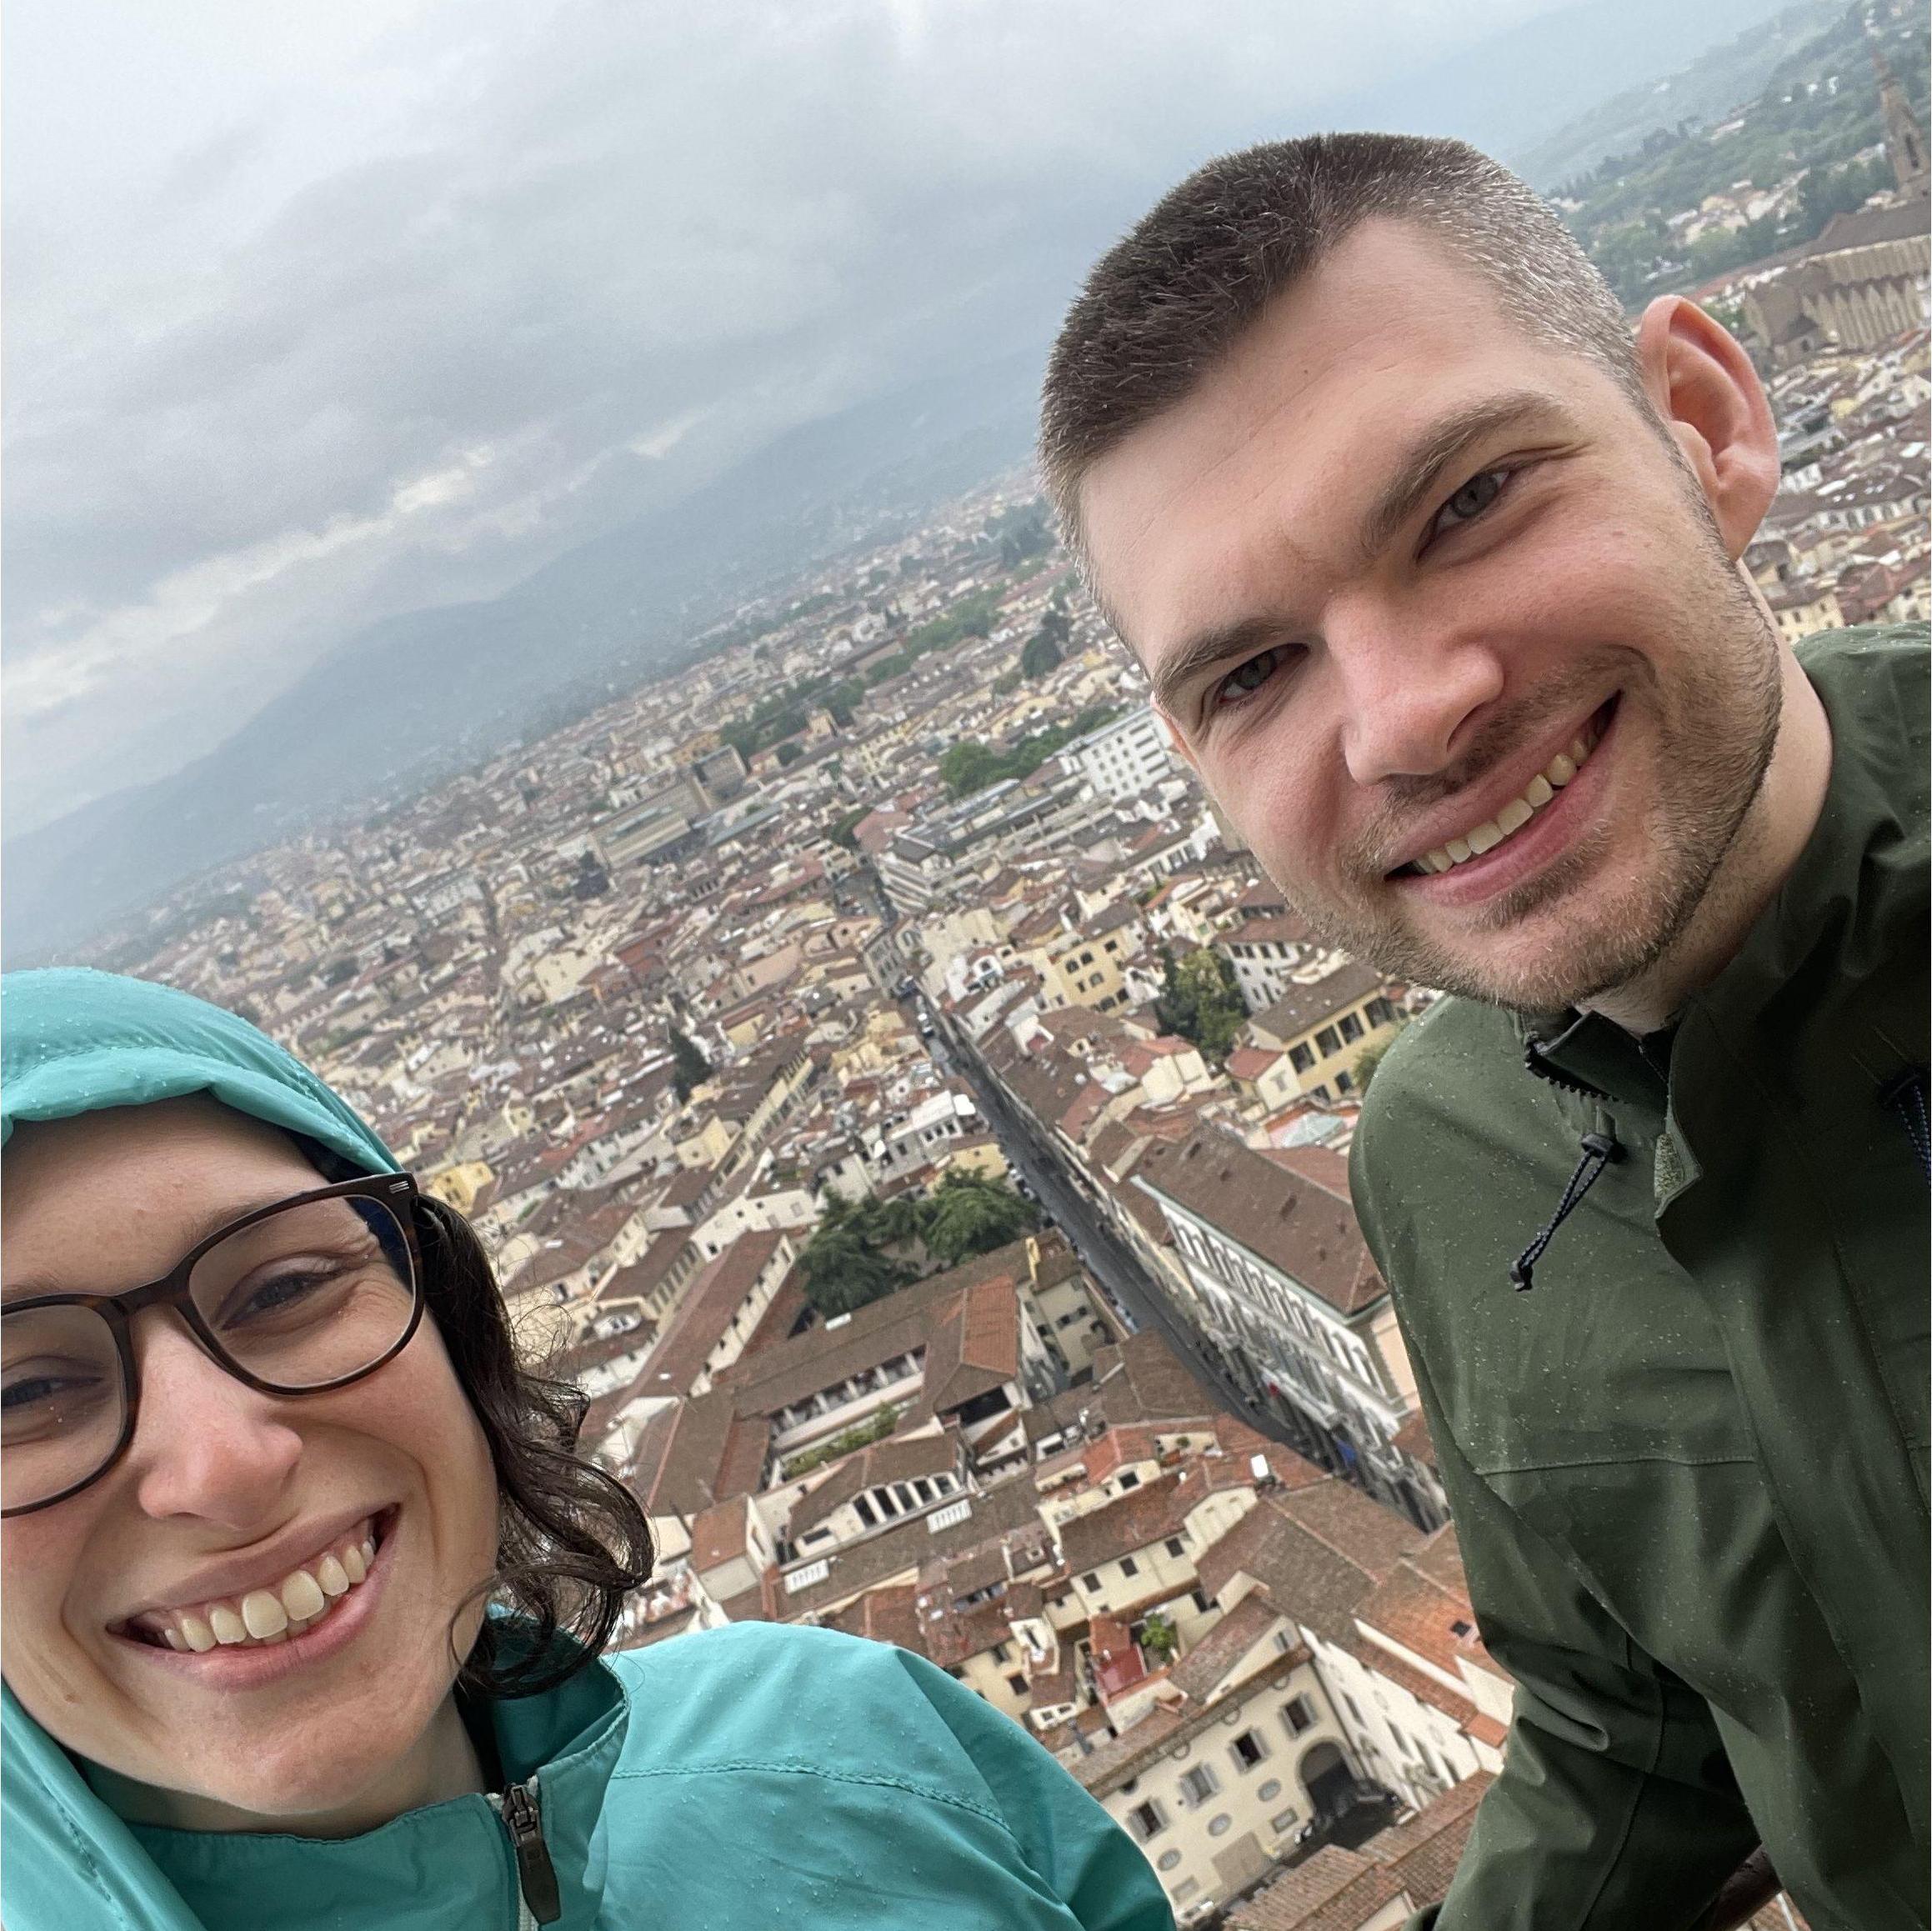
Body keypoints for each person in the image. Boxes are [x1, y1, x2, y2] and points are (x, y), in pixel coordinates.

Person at [1039, 133, 1927, 1928]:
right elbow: (1629, 1728)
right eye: (1250, 673)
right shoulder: (1439, 1157)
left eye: (1467, 501)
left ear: (1703, 421)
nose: (1405, 716)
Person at [0, 967, 1174, 1931]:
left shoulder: (850, 1741)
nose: (225, 1461)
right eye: (24, 1389)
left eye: (288, 1285)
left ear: (450, 1316)